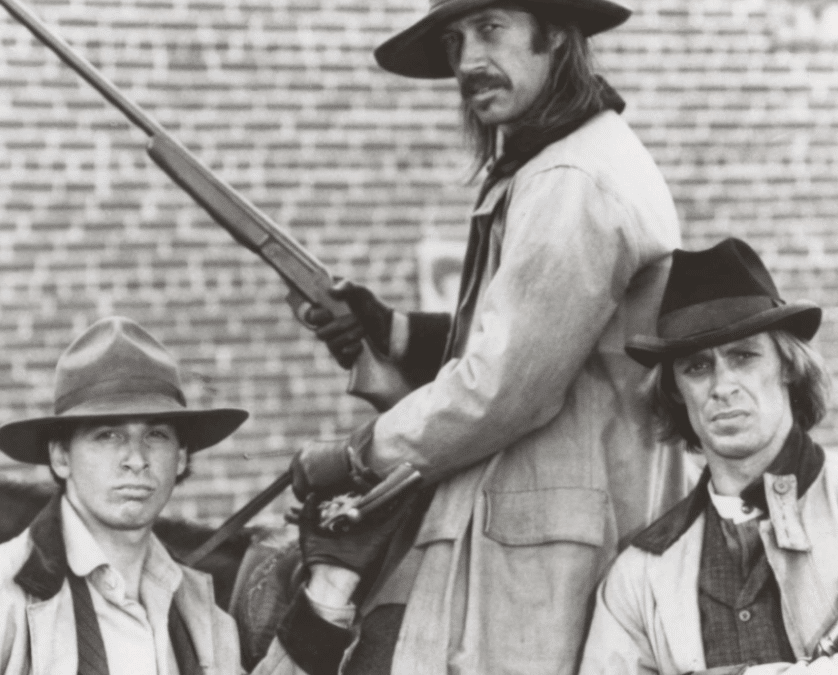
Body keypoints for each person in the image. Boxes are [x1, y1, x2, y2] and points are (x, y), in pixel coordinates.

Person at [289, 0, 688, 672]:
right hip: (527, 539)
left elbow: (506, 389)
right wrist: (392, 330)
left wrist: (360, 456)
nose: (469, 60)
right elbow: (534, 339)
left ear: (556, 35)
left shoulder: (570, 179)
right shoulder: (557, 164)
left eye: (492, 29)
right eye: (455, 39)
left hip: (548, 561)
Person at [0, 316, 393, 675]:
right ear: (60, 456)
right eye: (108, 435)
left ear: (182, 458)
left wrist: (328, 587)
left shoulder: (203, 619)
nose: (136, 459)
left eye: (156, 436)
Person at [578, 238, 838, 675]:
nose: (722, 386)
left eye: (743, 357)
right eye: (697, 367)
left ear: (787, 365)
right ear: (675, 391)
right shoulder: (641, 574)